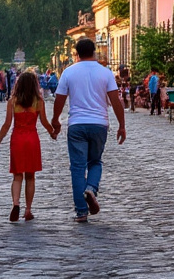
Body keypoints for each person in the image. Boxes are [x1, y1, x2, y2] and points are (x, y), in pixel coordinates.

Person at [51, 37, 126, 223]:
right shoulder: (106, 73)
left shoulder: (68, 72)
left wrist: (56, 120)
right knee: (95, 161)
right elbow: (115, 100)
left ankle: (81, 212)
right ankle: (91, 189)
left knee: (77, 168)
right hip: (99, 124)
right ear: (94, 52)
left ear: (76, 54)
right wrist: (122, 125)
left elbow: (59, 99)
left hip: (76, 124)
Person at [0, 71, 54, 222]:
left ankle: (15, 203)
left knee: (17, 175)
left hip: (17, 139)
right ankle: (28, 210)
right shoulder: (38, 101)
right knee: (31, 177)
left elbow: (7, 125)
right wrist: (53, 132)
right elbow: (45, 122)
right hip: (32, 139)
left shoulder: (13, 101)